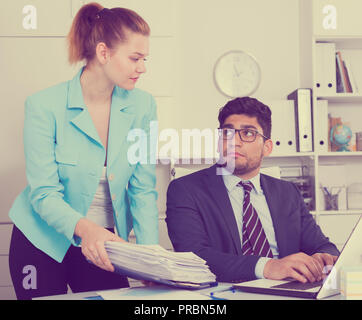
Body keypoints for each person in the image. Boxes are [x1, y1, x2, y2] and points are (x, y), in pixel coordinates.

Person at [8, 3, 158, 300]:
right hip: (41, 240)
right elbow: (44, 194)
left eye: (145, 59)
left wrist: (150, 258)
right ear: (104, 53)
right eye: (135, 58)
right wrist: (87, 230)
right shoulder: (43, 106)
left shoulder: (143, 106)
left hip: (104, 245)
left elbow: (143, 188)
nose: (143, 67)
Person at [166, 97, 339, 283]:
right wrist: (267, 267)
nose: (234, 142)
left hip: (288, 292)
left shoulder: (288, 192)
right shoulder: (185, 190)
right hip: (225, 293)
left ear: (267, 147)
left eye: (248, 133)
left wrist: (324, 256)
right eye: (227, 132)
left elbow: (322, 245)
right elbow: (193, 257)